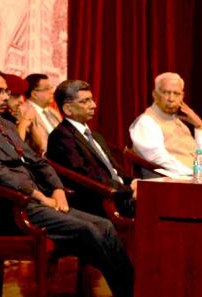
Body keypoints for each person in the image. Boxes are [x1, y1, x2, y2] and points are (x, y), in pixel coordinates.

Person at [0, 67, 134, 297]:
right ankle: (129, 291)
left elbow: (39, 162)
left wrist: (58, 189)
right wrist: (39, 195)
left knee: (105, 226)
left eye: (6, 91)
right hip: (14, 206)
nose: (6, 97)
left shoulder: (6, 125)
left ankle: (133, 290)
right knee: (89, 229)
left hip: (39, 201)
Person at [47, 79, 136, 218]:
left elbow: (115, 171)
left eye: (92, 99)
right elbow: (87, 177)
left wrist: (135, 183)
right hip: (102, 201)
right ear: (67, 109)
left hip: (120, 194)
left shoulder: (95, 135)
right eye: (85, 101)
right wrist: (128, 190)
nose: (93, 105)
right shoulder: (61, 136)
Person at [129, 72, 202, 176]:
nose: (171, 99)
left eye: (176, 94)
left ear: (182, 96)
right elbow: (158, 158)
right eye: (166, 92)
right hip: (171, 185)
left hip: (194, 180)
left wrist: (200, 128)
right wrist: (193, 173)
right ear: (155, 95)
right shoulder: (146, 122)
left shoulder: (178, 122)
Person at [24, 73, 62, 154]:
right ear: (34, 94)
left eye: (51, 88)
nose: (52, 91)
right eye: (47, 88)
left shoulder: (53, 112)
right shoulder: (23, 111)